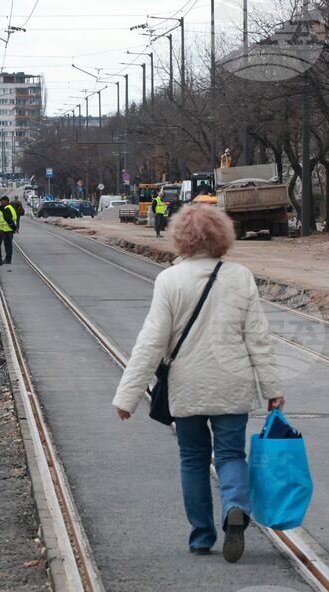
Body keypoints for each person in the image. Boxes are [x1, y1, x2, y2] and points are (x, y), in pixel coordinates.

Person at [112, 204, 284, 563]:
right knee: (232, 455)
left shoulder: (169, 280)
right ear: (224, 235)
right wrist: (272, 389)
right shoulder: (240, 277)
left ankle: (201, 536)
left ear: (180, 238)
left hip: (186, 387)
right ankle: (235, 505)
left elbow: (151, 342)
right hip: (233, 385)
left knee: (192, 460)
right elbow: (258, 338)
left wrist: (127, 396)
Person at [0, 195, 20, 264]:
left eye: (2, 201)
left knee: (7, 245)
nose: (1, 202)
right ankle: (8, 259)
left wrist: (13, 227)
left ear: (6, 201)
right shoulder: (10, 207)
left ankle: (8, 259)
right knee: (8, 245)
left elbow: (8, 219)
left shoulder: (7, 208)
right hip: (9, 230)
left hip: (7, 230)